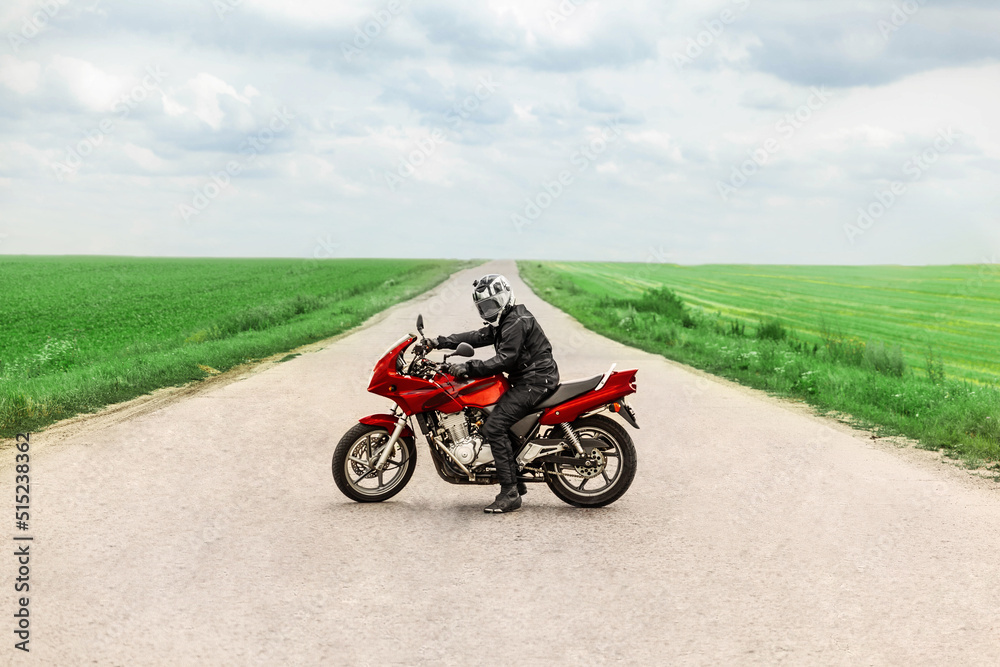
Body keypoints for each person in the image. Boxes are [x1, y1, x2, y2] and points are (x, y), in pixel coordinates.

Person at [418, 274, 560, 514]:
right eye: (484, 307)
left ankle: (510, 493)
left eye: (492, 304)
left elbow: (506, 359)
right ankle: (516, 479)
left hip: (535, 382)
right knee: (488, 418)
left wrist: (468, 367)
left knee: (495, 426)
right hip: (529, 380)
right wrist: (437, 342)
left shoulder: (515, 322)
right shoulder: (506, 319)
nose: (488, 310)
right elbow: (476, 336)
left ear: (504, 298)